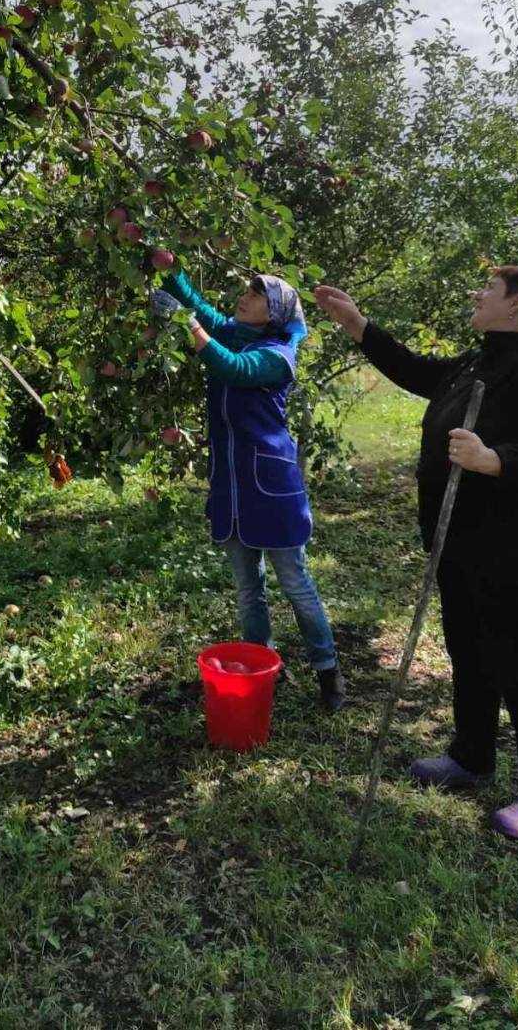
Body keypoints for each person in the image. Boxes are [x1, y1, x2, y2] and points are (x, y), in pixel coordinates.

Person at [314, 266, 518, 841]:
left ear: (516, 304)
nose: (476, 294)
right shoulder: (475, 361)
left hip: (511, 548)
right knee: (470, 649)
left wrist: (494, 460)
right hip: (456, 540)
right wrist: (359, 325)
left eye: (488, 289)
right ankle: (471, 757)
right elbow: (416, 372)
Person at [154, 268, 345, 710]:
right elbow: (205, 313)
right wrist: (173, 272)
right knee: (247, 588)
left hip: (272, 487)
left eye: (256, 295)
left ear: (274, 312)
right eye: (247, 290)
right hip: (233, 484)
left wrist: (185, 323)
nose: (245, 298)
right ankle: (263, 665)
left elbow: (233, 369)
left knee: (295, 582)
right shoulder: (239, 333)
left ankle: (328, 670)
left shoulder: (277, 355)